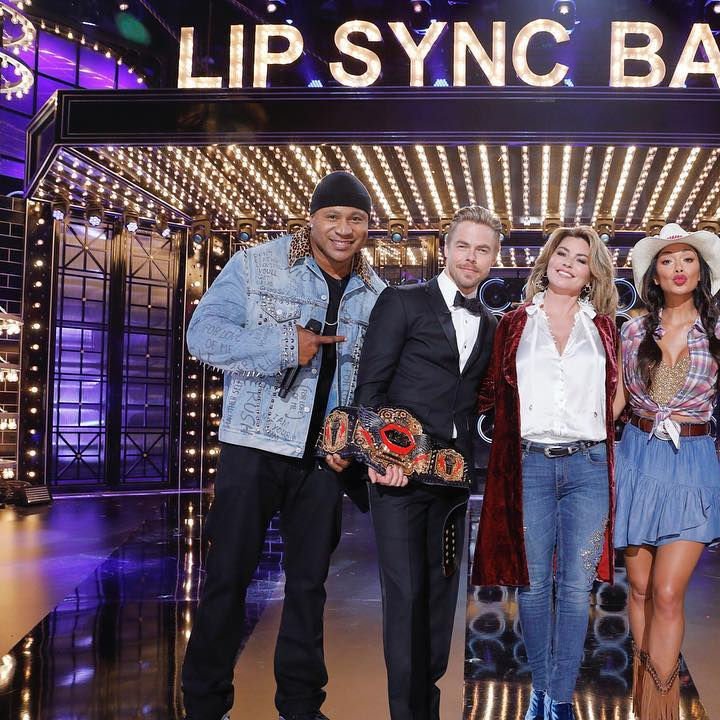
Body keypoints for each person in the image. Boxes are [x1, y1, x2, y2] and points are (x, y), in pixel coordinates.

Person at [182, 171, 385, 720]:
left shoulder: (375, 295)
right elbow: (202, 335)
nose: (344, 229)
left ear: (367, 226)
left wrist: (353, 443)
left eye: (356, 219)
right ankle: (204, 705)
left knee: (309, 588)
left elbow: (373, 385)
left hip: (323, 461)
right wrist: (282, 345)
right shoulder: (256, 265)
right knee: (227, 578)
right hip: (253, 449)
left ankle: (300, 706)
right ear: (311, 219)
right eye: (332, 216)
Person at [354, 205, 500, 720]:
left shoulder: (489, 324)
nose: (471, 257)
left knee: (440, 602)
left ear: (493, 259)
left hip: (453, 482)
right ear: (446, 248)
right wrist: (377, 456)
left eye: (482, 250)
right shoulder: (402, 302)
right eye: (463, 246)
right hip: (397, 477)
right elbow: (370, 386)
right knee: (405, 598)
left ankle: (428, 710)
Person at [472, 226, 619, 720]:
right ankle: (539, 688)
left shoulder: (603, 328)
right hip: (529, 465)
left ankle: (560, 698)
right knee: (532, 586)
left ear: (591, 273)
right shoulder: (514, 323)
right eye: (562, 253)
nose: (568, 263)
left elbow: (616, 392)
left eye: (580, 259)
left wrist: (596, 423)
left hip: (588, 467)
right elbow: (489, 392)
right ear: (548, 259)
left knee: (576, 590)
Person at [612, 223, 720, 720]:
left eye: (687, 260)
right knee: (640, 590)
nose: (678, 268)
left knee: (666, 592)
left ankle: (663, 708)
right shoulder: (632, 331)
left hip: (692, 464)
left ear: (701, 272)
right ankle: (646, 704)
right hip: (636, 459)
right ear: (655, 275)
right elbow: (616, 401)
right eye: (667, 260)